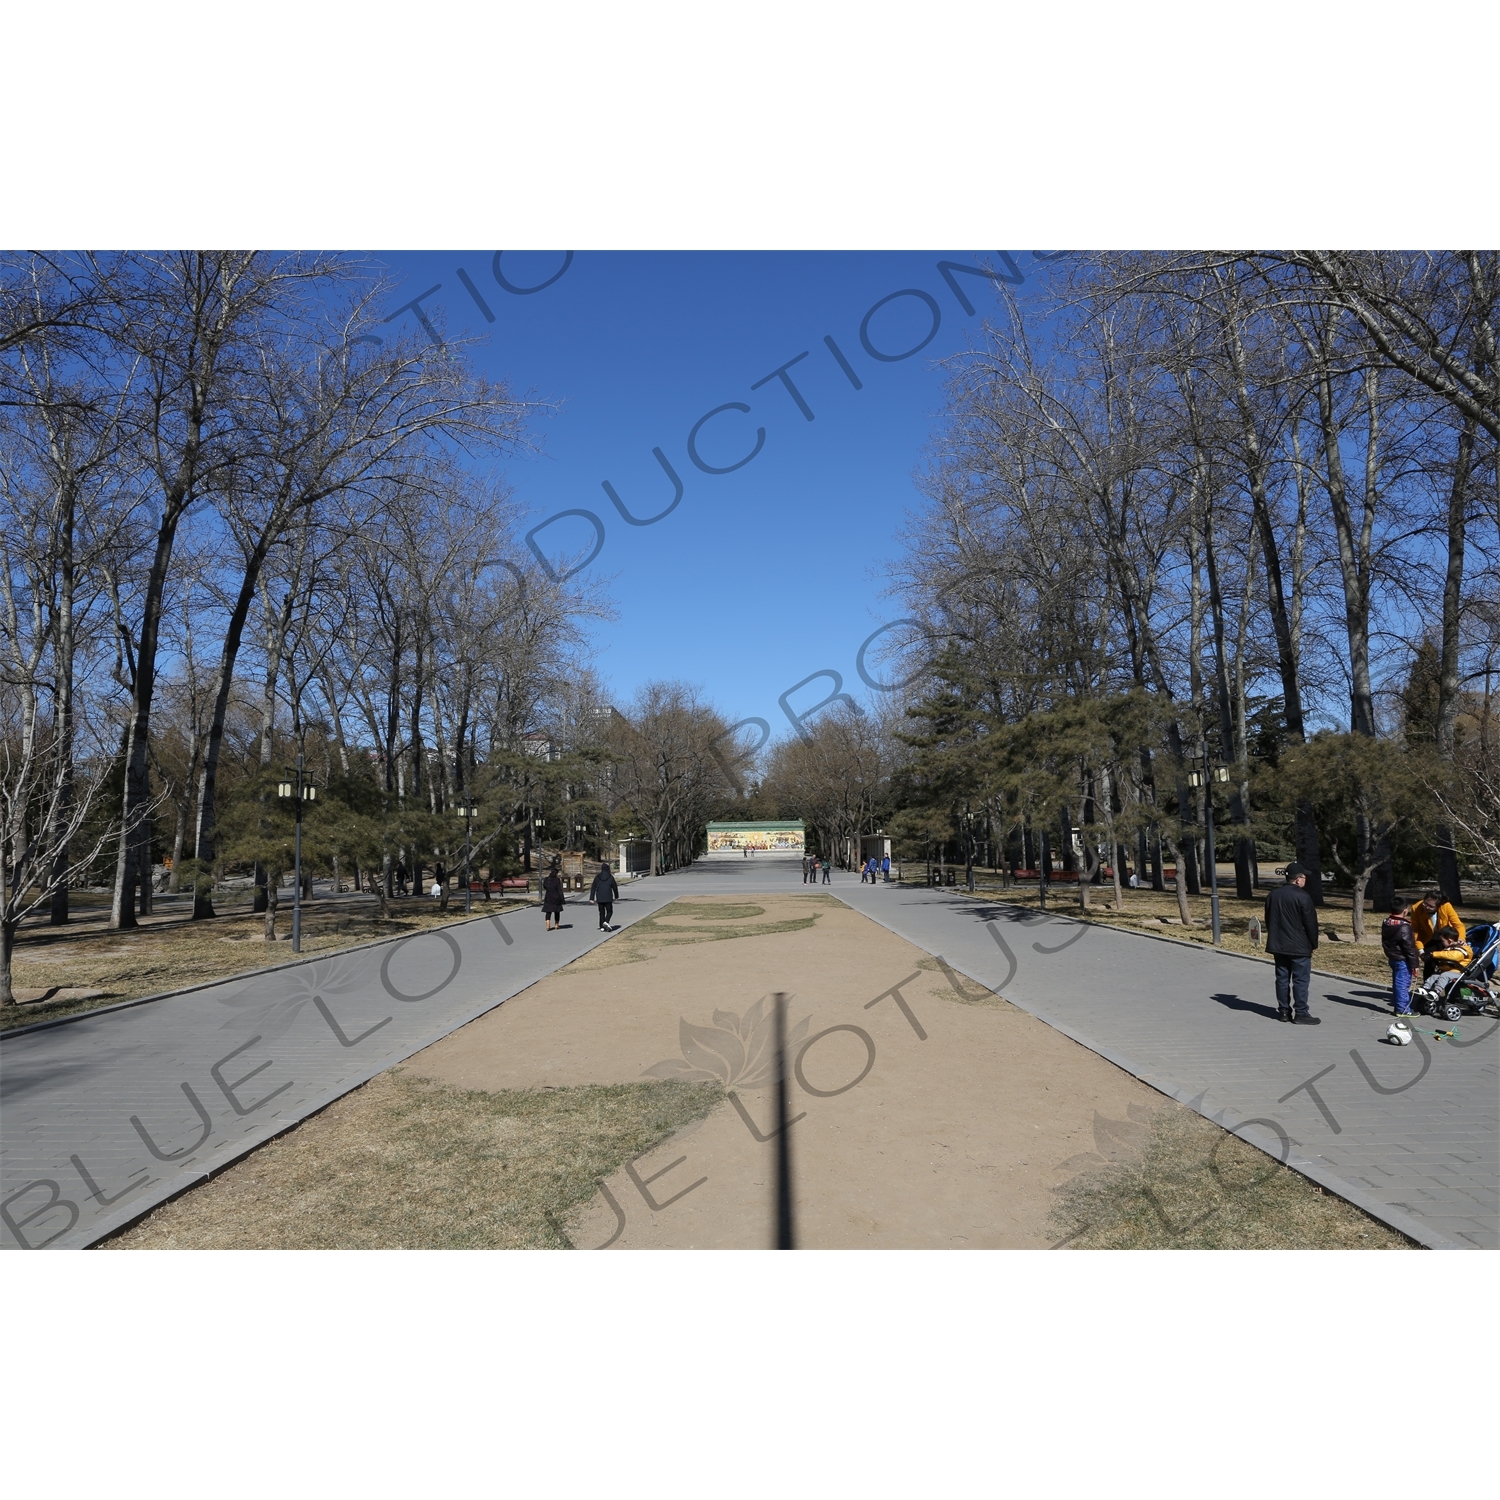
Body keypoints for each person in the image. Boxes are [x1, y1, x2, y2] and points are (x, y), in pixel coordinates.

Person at [1264, 862, 1320, 1024]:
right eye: (1304, 877)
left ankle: (1283, 1011)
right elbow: (1311, 923)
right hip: (1299, 946)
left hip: (1278, 944)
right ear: (1297, 880)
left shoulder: (1273, 895)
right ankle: (1301, 1012)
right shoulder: (1303, 897)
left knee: (1282, 978)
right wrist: (1313, 943)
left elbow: (1269, 919)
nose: (1305, 880)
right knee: (1300, 980)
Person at [1410, 891, 1466, 978]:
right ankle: (1427, 988)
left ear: (1438, 906)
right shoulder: (1416, 908)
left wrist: (1461, 938)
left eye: (1431, 906)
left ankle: (1449, 988)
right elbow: (1415, 930)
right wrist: (1420, 950)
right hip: (1429, 939)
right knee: (1429, 964)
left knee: (1449, 965)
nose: (1427, 907)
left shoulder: (1446, 906)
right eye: (1425, 903)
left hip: (1446, 938)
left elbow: (1458, 925)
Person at [1380, 897, 1419, 1016]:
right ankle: (1403, 1010)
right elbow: (1410, 948)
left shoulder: (1386, 922)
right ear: (1405, 911)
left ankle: (1399, 1006)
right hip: (1402, 959)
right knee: (1402, 985)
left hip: (1393, 957)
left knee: (1398, 983)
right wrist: (1415, 965)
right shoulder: (1404, 927)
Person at [589, 863, 619, 931]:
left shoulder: (597, 877)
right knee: (609, 911)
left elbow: (593, 887)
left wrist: (591, 898)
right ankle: (606, 922)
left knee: (601, 912)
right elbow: (614, 887)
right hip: (608, 897)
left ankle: (602, 926)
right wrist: (616, 896)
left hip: (600, 897)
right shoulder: (610, 877)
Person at [542, 862, 565, 932]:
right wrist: (562, 899)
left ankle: (548, 925)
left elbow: (544, 886)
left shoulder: (546, 879)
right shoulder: (557, 880)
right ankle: (556, 924)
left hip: (548, 897)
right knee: (557, 911)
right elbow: (559, 890)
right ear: (556, 873)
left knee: (548, 911)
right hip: (556, 897)